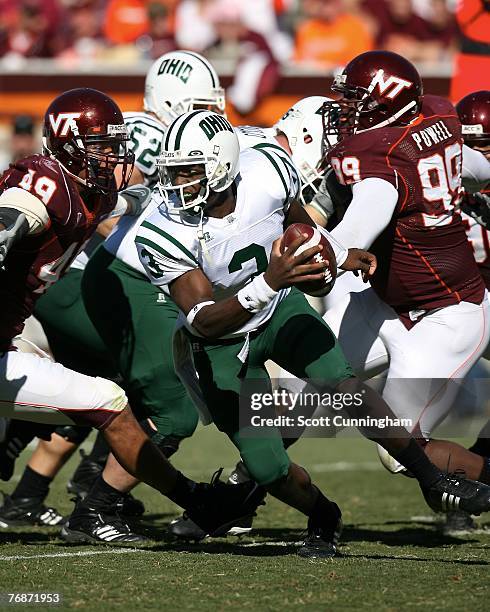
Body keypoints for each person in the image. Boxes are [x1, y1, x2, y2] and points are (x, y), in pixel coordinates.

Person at [135, 108, 490, 557]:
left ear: (222, 165)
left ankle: (433, 478)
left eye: (188, 171)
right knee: (268, 468)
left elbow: (298, 225)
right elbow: (203, 319)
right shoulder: (161, 229)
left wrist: (333, 256)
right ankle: (323, 514)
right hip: (222, 341)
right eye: (173, 172)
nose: (175, 185)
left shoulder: (267, 171)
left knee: (340, 384)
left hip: (281, 311)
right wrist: (270, 281)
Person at [0, 87, 263, 541]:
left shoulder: (91, 195)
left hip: (6, 349)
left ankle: (195, 500)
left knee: (109, 401)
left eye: (114, 146)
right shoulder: (47, 180)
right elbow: (18, 208)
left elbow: (131, 202)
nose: (113, 157)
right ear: (69, 144)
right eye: (102, 147)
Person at [313, 52, 490, 483]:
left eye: (355, 101)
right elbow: (479, 167)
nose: (343, 111)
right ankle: (244, 490)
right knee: (299, 387)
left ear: (386, 104)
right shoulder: (434, 128)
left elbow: (349, 239)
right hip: (386, 304)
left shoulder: (382, 164)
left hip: (445, 315)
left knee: (398, 447)